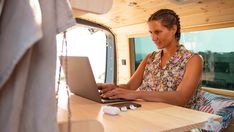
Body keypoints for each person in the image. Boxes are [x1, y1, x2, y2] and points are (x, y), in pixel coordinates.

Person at [98, 9, 203, 108]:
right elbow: (130, 87)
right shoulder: (150, 57)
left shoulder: (193, 59)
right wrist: (113, 87)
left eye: (158, 32)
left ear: (173, 30)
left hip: (181, 121)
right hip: (149, 114)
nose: (153, 38)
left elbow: (181, 98)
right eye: (151, 32)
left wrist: (136, 94)